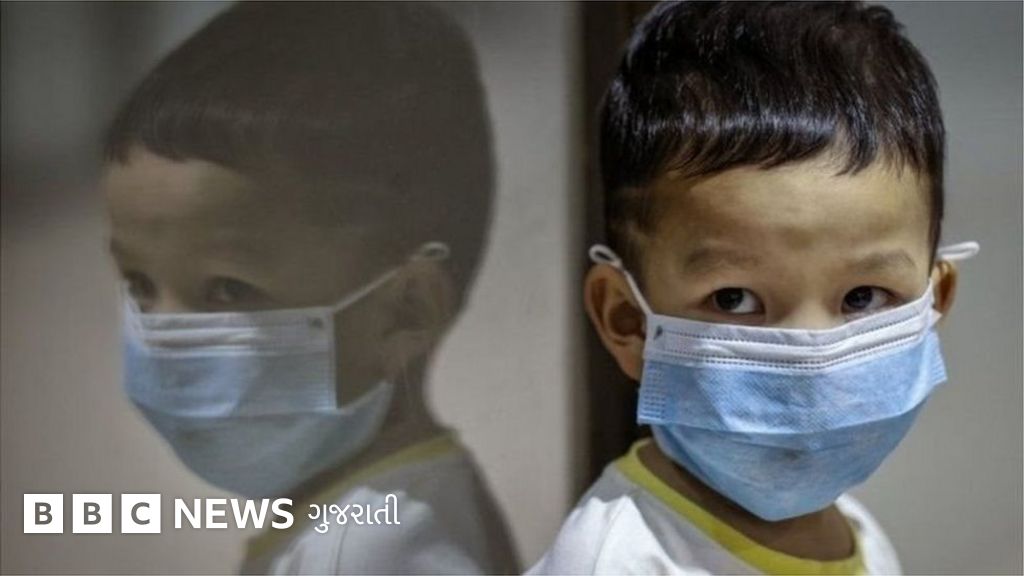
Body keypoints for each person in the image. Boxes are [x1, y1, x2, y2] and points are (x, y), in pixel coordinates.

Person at [530, 1, 978, 574]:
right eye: (734, 299)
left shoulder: (859, 534)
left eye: (862, 297)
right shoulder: (617, 561)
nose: (811, 366)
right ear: (629, 322)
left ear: (934, 304)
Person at [101, 2, 519, 573]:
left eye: (228, 290)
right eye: (139, 283)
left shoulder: (376, 554)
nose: (161, 337)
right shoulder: (373, 515)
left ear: (406, 311)